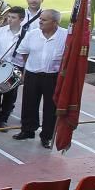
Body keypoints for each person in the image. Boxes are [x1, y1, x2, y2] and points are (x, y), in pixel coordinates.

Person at [14, 9, 67, 148]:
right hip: (33, 74)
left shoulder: (66, 35)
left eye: (44, 19)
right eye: (40, 18)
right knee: (29, 104)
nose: (40, 21)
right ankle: (27, 130)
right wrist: (28, 67)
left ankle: (47, 136)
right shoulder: (32, 34)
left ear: (55, 23)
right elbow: (24, 52)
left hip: (53, 77)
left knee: (51, 107)